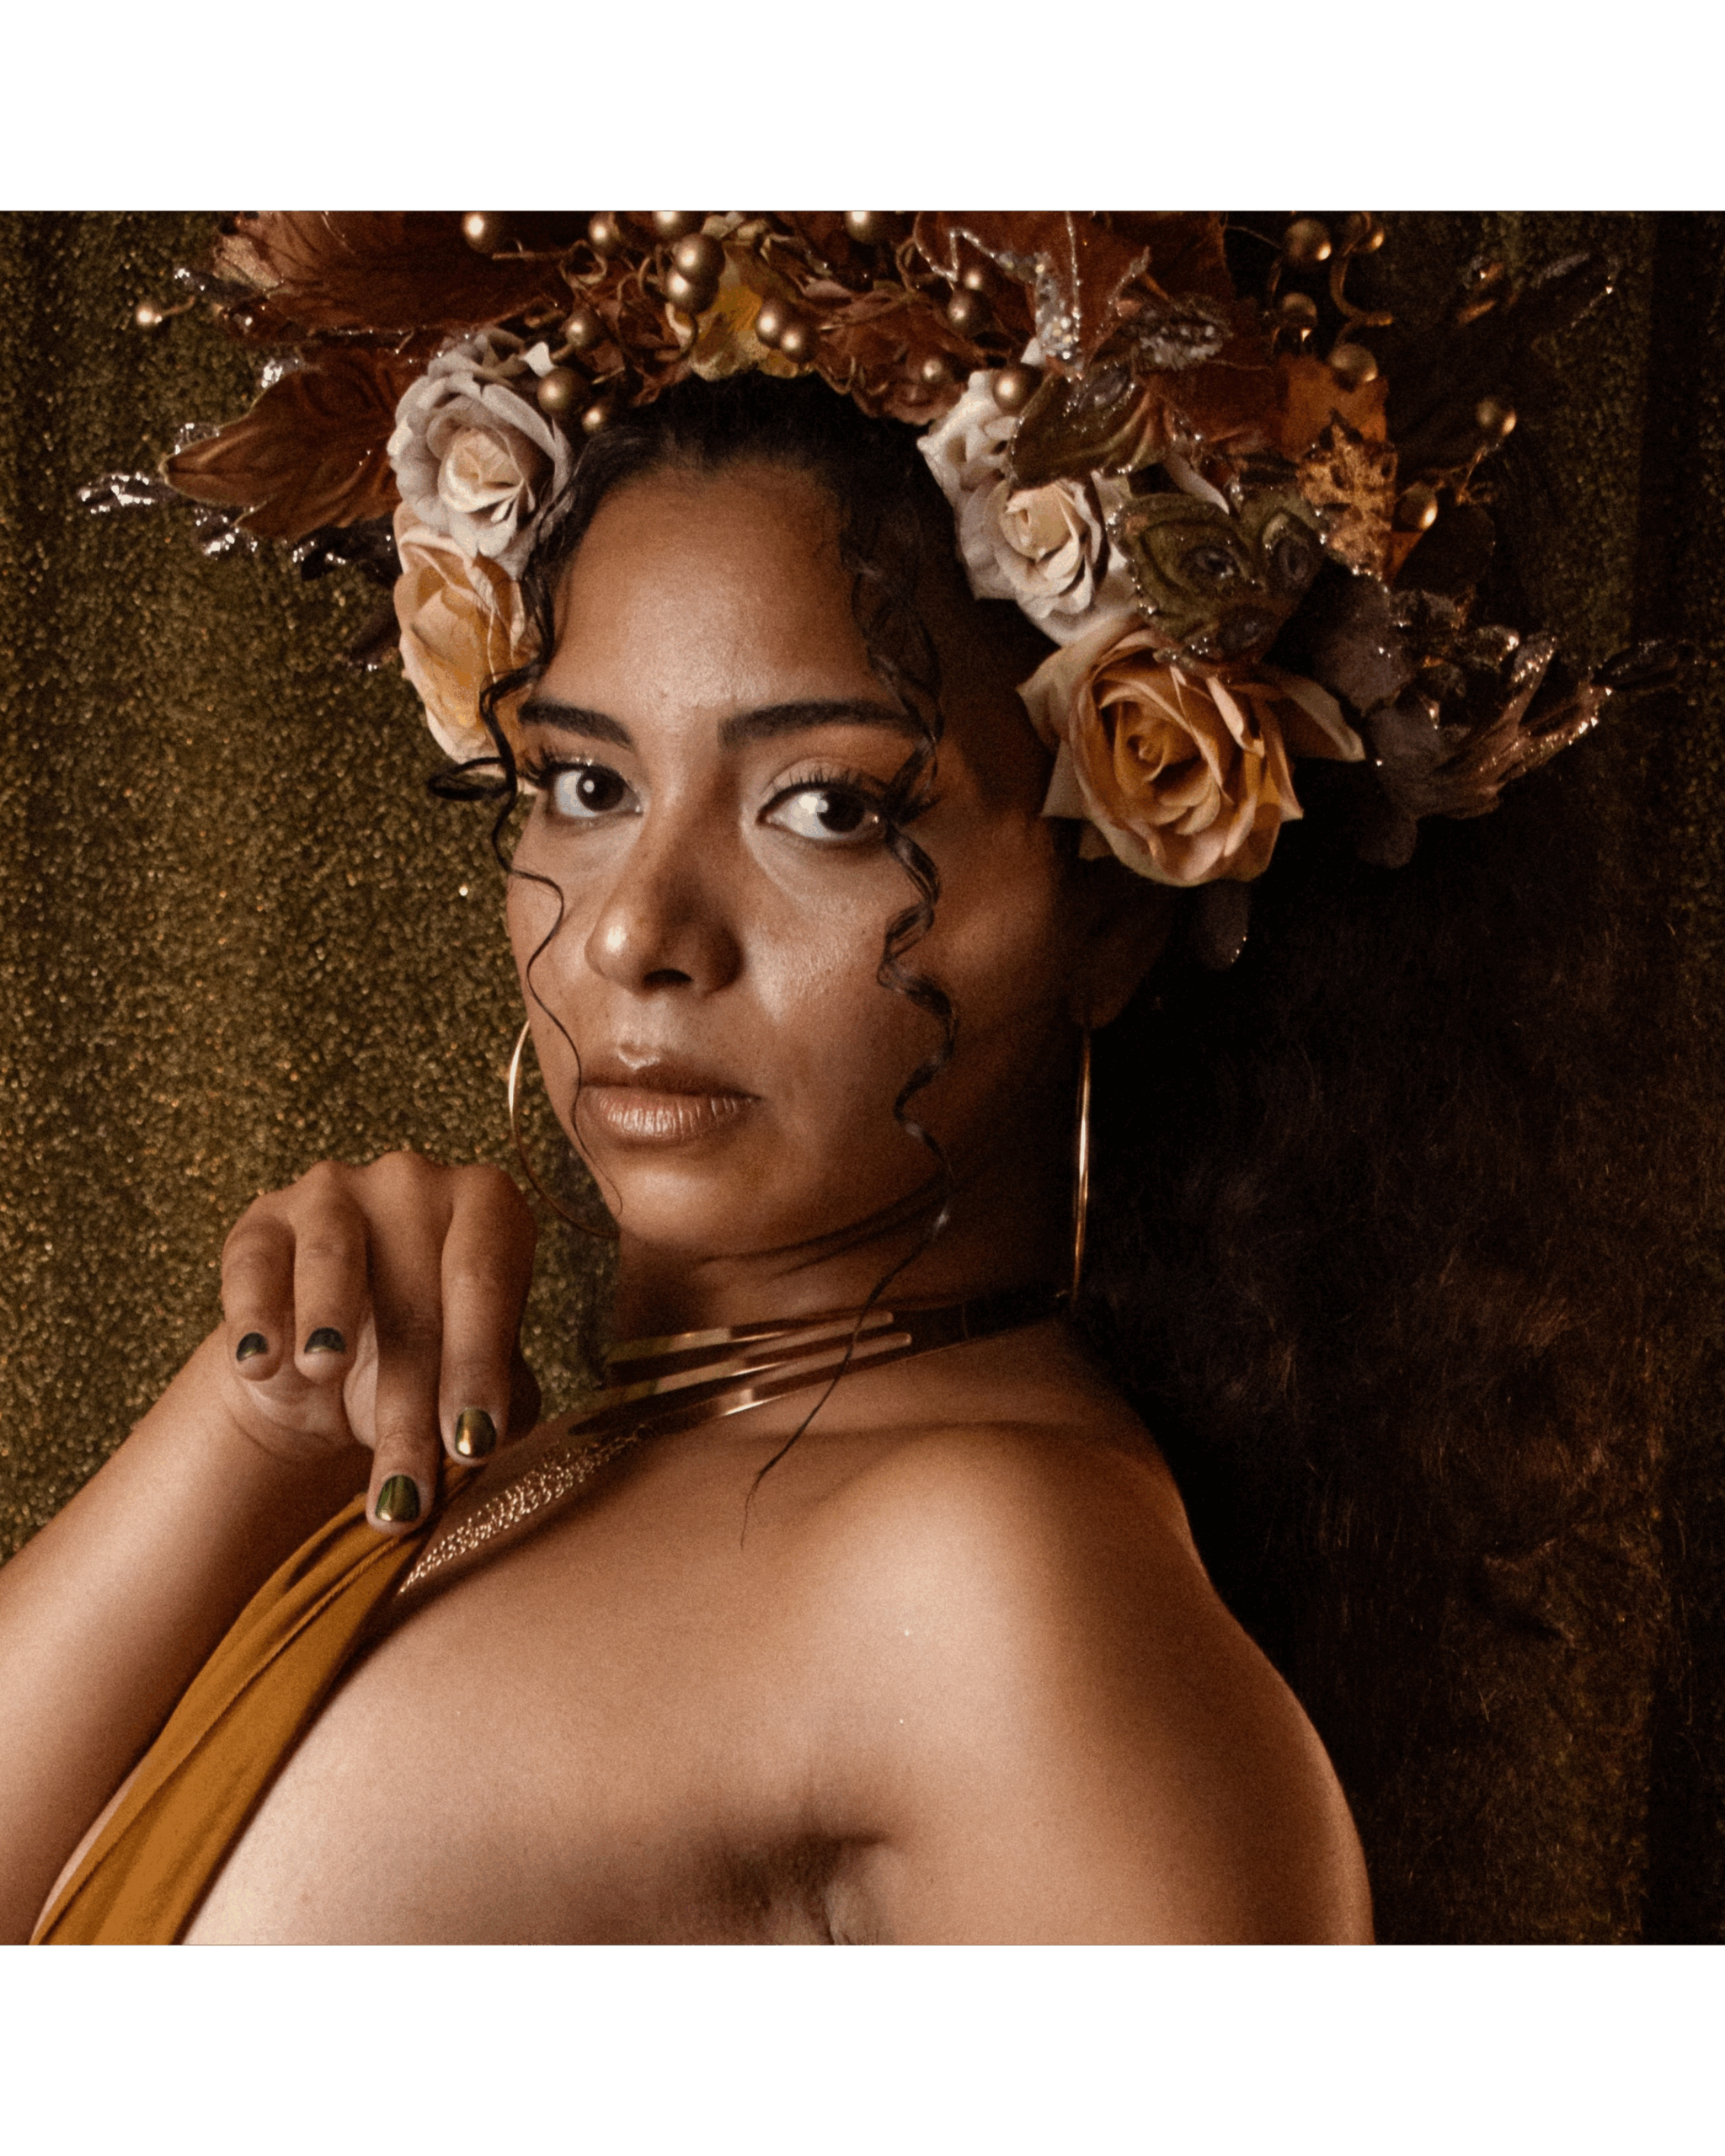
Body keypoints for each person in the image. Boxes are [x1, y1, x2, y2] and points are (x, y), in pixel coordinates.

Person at [5, 211, 1654, 1944]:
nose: (644, 927)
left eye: (829, 808)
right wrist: (260, 1413)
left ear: (1114, 903)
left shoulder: (994, 1584)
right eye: (583, 785)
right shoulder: (511, 1471)